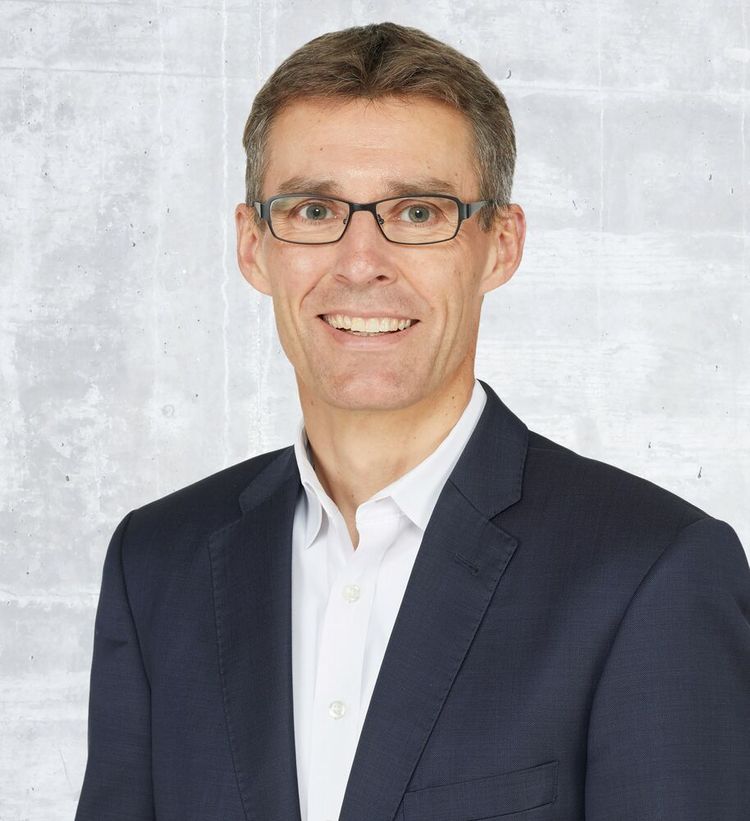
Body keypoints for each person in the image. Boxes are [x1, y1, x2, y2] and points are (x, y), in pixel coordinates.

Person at [75, 22, 750, 821]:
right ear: (253, 246)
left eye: (419, 211)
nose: (362, 262)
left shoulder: (651, 572)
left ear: (500, 245)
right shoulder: (157, 565)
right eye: (315, 208)